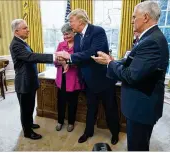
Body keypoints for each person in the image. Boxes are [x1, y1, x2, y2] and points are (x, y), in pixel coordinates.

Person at [92, 1, 169, 151]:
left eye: (134, 17)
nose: (132, 20)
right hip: (140, 104)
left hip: (141, 107)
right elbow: (131, 62)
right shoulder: (149, 37)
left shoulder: (152, 41)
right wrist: (111, 61)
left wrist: (109, 63)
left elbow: (131, 75)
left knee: (137, 147)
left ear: (145, 17)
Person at [56, 9, 119, 145]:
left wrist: (70, 56)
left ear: (80, 20)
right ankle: (88, 132)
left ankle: (115, 133)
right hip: (87, 81)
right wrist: (67, 62)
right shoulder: (77, 36)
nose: (70, 24)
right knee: (91, 108)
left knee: (110, 109)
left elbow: (93, 52)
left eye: (71, 21)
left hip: (104, 80)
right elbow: (79, 57)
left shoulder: (98, 31)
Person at [10, 19, 55, 140]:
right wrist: (53, 57)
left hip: (29, 81)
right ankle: (27, 132)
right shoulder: (16, 44)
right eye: (25, 28)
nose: (28, 30)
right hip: (24, 83)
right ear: (16, 31)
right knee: (25, 109)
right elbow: (30, 57)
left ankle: (29, 124)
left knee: (30, 106)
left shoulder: (22, 42)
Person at [55, 23, 83, 132]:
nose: (65, 37)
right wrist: (60, 62)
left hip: (74, 79)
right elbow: (55, 61)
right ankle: (60, 121)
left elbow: (80, 62)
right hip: (61, 79)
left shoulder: (79, 46)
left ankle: (71, 122)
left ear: (74, 33)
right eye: (64, 34)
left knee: (72, 103)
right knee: (60, 102)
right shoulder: (61, 44)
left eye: (68, 34)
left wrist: (66, 62)